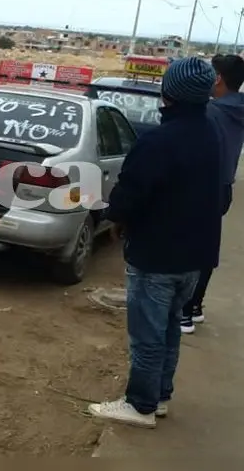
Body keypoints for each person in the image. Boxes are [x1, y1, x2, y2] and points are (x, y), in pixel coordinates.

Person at [89, 57, 223, 428]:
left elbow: (131, 192)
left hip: (158, 255)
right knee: (168, 331)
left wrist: (115, 220)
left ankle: (141, 405)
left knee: (147, 336)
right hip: (195, 256)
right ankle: (160, 395)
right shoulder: (210, 132)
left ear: (169, 94)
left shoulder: (160, 140)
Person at [180, 53, 244, 333]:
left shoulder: (212, 111)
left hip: (200, 185)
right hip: (223, 187)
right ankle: (194, 307)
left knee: (186, 247)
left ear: (217, 78)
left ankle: (184, 312)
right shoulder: (237, 109)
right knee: (206, 246)